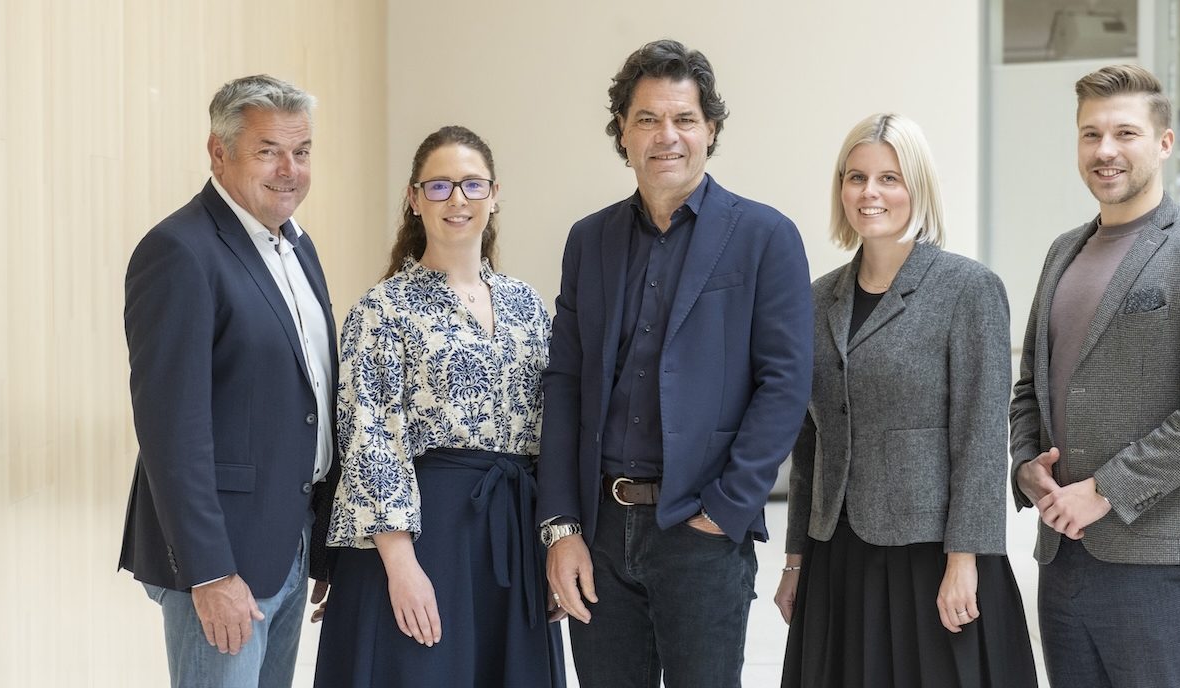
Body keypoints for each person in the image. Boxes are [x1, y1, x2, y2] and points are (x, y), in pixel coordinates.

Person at [536, 38, 814, 687]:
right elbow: (565, 384)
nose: (667, 136)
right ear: (623, 133)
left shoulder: (765, 237)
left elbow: (784, 384)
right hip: (599, 532)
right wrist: (561, 527)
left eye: (685, 118)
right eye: (647, 119)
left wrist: (726, 509)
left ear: (710, 129)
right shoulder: (588, 241)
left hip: (701, 529)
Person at [1010, 64, 1180, 688]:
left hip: (1161, 561)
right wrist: (1026, 462)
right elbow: (1031, 385)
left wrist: (1106, 489)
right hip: (1064, 555)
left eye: (1125, 133)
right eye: (1091, 134)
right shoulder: (1063, 251)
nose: (1105, 150)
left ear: (1164, 143)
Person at [775, 113, 1038, 687]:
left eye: (889, 178)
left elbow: (979, 437)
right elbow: (811, 442)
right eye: (856, 177)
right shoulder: (817, 299)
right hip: (837, 554)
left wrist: (965, 559)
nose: (870, 192)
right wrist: (796, 559)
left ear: (917, 187)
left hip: (934, 554)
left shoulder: (968, 289)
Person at [313, 125, 564, 687]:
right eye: (439, 186)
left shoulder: (526, 304)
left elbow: (554, 432)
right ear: (414, 198)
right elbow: (370, 439)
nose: (457, 200)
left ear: (494, 196)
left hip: (512, 535)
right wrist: (401, 565)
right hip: (423, 537)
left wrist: (552, 545)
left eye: (473, 185)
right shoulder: (383, 309)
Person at [119, 74, 337, 687]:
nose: (290, 170)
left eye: (302, 151)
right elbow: (171, 431)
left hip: (288, 540)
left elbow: (310, 398)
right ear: (219, 153)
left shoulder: (297, 247)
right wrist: (210, 572)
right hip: (224, 559)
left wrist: (322, 541)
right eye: (268, 151)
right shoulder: (180, 252)